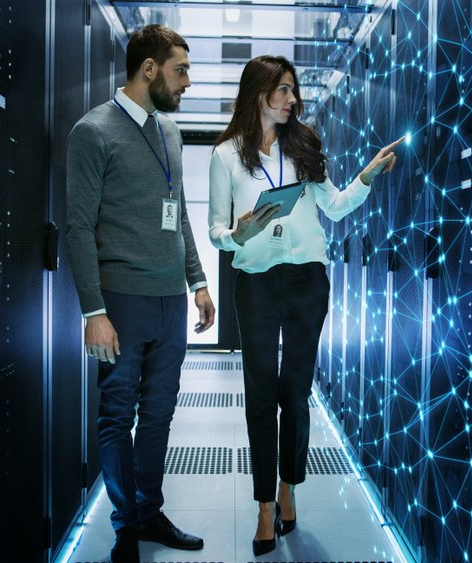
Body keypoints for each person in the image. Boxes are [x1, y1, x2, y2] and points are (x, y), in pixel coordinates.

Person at [207, 55, 402, 556]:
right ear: (260, 93)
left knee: (295, 392)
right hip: (253, 283)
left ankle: (287, 489)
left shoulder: (305, 147)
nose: (294, 100)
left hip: (307, 282)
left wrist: (366, 176)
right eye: (285, 90)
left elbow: (333, 207)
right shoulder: (227, 155)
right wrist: (237, 233)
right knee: (259, 397)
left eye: (294, 91)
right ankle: (264, 507)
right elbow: (214, 230)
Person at [66, 24, 215, 563]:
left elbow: (179, 221)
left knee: (159, 414)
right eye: (180, 70)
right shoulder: (93, 132)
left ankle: (149, 511)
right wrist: (94, 311)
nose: (187, 82)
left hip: (169, 301)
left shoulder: (168, 132)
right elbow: (78, 228)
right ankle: (126, 523)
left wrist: (198, 282)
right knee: (117, 412)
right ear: (148, 69)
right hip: (120, 301)